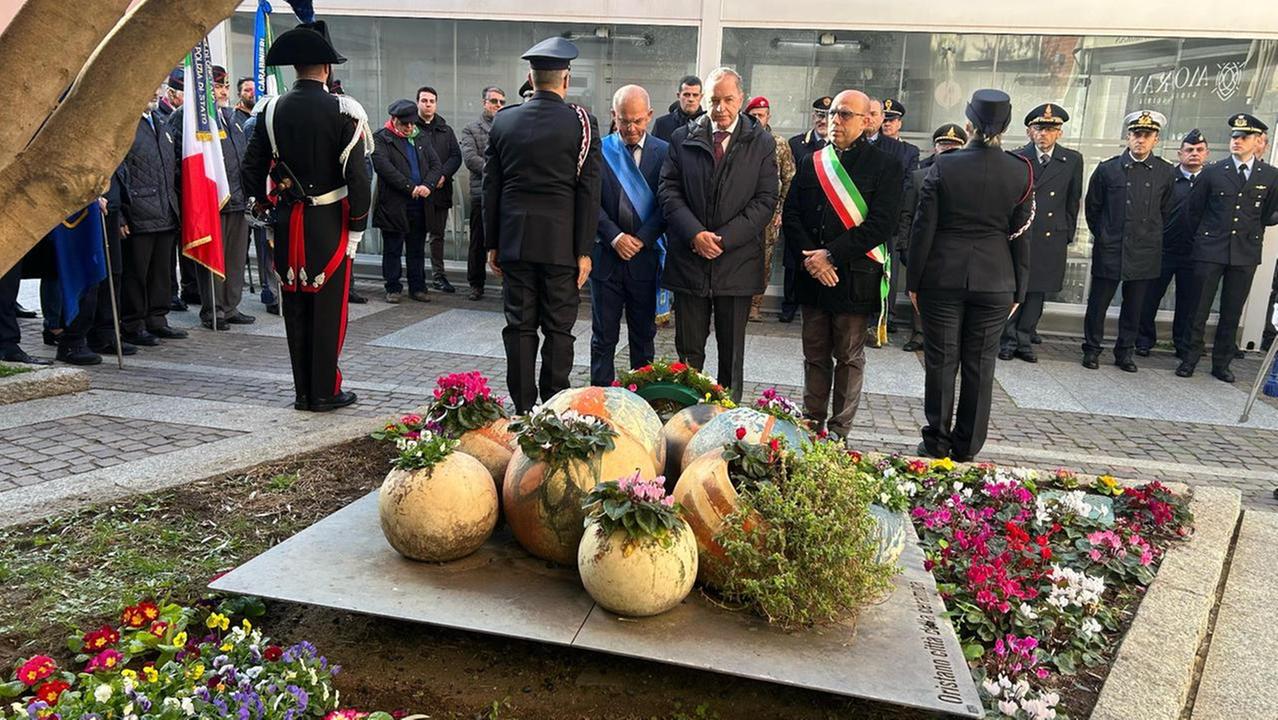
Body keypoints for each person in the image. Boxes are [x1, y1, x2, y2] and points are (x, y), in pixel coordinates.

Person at [242, 20, 373, 411]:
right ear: (327, 68)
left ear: (295, 69)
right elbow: (359, 179)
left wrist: (261, 208)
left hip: (286, 222)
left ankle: (302, 391)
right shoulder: (344, 110)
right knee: (328, 308)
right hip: (328, 221)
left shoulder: (270, 110)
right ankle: (324, 391)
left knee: (295, 305)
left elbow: (251, 170)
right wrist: (356, 228)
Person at [908, 89, 1033, 462]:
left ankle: (937, 441)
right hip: (997, 280)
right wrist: (1019, 290)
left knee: (942, 360)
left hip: (942, 276)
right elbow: (1021, 235)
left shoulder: (944, 165)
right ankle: (968, 445)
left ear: (968, 124)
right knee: (981, 363)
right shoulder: (1021, 169)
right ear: (1008, 126)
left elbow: (922, 229)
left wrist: (913, 281)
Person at [484, 37, 602, 413]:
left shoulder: (504, 119)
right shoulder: (582, 123)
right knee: (558, 330)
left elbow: (492, 188)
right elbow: (589, 190)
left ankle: (521, 408)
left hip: (516, 243)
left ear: (530, 78)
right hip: (561, 246)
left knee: (518, 328)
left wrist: (492, 243)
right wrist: (585, 250)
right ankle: (552, 409)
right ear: (565, 79)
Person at [784, 89, 904, 440]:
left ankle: (839, 429)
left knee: (849, 357)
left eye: (845, 114)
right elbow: (791, 214)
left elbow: (881, 224)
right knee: (815, 354)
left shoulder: (886, 166)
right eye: (834, 113)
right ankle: (811, 420)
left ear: (868, 120)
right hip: (814, 276)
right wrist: (813, 258)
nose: (835, 120)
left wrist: (831, 255)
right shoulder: (812, 161)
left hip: (854, 276)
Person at [659, 66, 779, 403]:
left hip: (736, 263)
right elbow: (668, 190)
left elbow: (765, 200)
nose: (720, 108)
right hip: (690, 260)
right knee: (688, 354)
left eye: (727, 99)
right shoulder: (683, 138)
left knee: (731, 353)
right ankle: (686, 418)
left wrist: (723, 239)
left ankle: (727, 422)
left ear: (740, 98)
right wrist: (695, 234)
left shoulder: (762, 142)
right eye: (714, 100)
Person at [1178, 113, 1278, 382]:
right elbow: (1193, 211)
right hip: (1210, 248)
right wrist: (1201, 240)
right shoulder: (1213, 171)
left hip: (1244, 251)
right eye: (1234, 136)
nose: (1237, 141)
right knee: (1198, 308)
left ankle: (1222, 363)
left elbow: (1268, 214)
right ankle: (1189, 358)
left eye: (1244, 137)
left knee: (1232, 310)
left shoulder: (1269, 175)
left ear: (1258, 141)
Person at [1081, 110, 1175, 372]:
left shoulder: (1165, 172)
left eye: (1147, 135)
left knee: (1134, 306)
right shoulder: (1108, 169)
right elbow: (1093, 208)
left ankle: (1125, 352)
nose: (1140, 140)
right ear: (1128, 136)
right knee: (1098, 303)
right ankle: (1091, 349)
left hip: (1145, 248)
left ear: (1155, 139)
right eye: (1136, 134)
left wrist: (1150, 235)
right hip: (1112, 246)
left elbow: (1165, 211)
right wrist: (1105, 234)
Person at [589, 85, 669, 386]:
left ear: (649, 116)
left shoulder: (665, 152)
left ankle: (641, 404)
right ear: (613, 116)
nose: (631, 128)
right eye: (624, 120)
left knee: (643, 341)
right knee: (603, 339)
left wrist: (643, 239)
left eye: (637, 120)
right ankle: (600, 402)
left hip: (645, 260)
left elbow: (668, 203)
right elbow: (590, 202)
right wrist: (615, 237)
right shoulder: (599, 151)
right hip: (607, 258)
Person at [169, 68, 255, 330]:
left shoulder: (231, 117)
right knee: (213, 258)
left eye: (225, 87)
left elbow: (241, 157)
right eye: (218, 87)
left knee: (235, 259)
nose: (223, 92)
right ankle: (213, 310)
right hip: (211, 201)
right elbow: (178, 161)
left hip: (237, 199)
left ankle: (230, 306)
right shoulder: (189, 117)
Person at [1000, 103, 1083, 363]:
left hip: (1051, 235)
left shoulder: (1071, 160)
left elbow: (1073, 200)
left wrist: (1067, 233)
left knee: (1037, 292)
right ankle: (1008, 338)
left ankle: (1024, 340)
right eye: (1039, 128)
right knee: (1015, 288)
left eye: (1051, 129)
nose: (1044, 134)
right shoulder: (1016, 157)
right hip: (1022, 233)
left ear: (1059, 132)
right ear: (1029, 131)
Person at [119, 85, 188, 347]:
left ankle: (157, 318)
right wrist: (122, 217)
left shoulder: (161, 122)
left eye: (154, 89)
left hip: (165, 209)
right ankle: (133, 324)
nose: (152, 94)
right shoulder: (126, 124)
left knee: (162, 270)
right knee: (137, 272)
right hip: (139, 211)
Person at [1137, 129, 1208, 359]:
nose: (1194, 154)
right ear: (1180, 154)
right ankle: (1144, 340)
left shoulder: (1209, 181)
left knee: (1188, 303)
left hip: (1195, 252)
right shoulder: (1167, 176)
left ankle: (1182, 344)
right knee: (1150, 297)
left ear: (1205, 154)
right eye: (1189, 150)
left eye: (1199, 150)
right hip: (1164, 248)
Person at [899, 123, 967, 353]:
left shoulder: (970, 177)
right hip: (924, 246)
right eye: (943, 144)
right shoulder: (919, 176)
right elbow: (907, 213)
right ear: (935, 148)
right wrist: (904, 246)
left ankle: (947, 337)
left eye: (954, 146)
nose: (948, 149)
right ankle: (919, 333)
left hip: (955, 248)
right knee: (918, 290)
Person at [373, 99, 443, 303]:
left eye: (413, 123)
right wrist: (410, 187)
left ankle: (418, 287)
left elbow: (435, 165)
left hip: (419, 203)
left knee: (416, 248)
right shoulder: (381, 138)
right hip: (394, 204)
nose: (410, 128)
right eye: (405, 124)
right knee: (393, 247)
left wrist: (427, 186)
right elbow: (385, 168)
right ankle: (393, 287)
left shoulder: (420, 137)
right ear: (394, 120)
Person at [744, 95, 795, 322]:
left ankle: (755, 304)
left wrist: (781, 210)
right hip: (742, 212)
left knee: (764, 260)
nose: (757, 119)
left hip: (768, 214)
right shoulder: (740, 141)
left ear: (768, 117)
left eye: (761, 115)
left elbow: (789, 179)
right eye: (753, 116)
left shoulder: (780, 144)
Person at [782, 95, 832, 323]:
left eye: (827, 116)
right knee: (794, 260)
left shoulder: (837, 146)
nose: (823, 121)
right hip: (800, 211)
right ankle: (789, 304)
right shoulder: (796, 143)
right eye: (819, 115)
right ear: (813, 116)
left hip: (827, 215)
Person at [415, 86, 463, 294]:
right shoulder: (411, 128)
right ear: (417, 102)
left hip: (441, 190)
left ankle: (438, 276)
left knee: (438, 235)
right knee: (415, 235)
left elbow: (455, 156)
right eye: (424, 100)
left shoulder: (445, 129)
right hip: (417, 190)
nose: (428, 104)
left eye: (432, 101)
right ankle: (416, 277)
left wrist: (443, 175)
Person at [459, 86, 505, 301]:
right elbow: (470, 159)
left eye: (501, 102)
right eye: (493, 101)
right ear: (484, 102)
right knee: (478, 242)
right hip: (481, 193)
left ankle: (508, 284)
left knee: (506, 242)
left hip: (505, 195)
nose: (497, 105)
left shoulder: (507, 127)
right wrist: (497, 172)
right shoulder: (471, 129)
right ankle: (476, 284)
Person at [652, 75, 704, 144]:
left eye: (695, 95)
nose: (691, 99)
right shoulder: (661, 125)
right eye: (686, 95)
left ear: (701, 97)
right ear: (678, 96)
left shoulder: (708, 125)